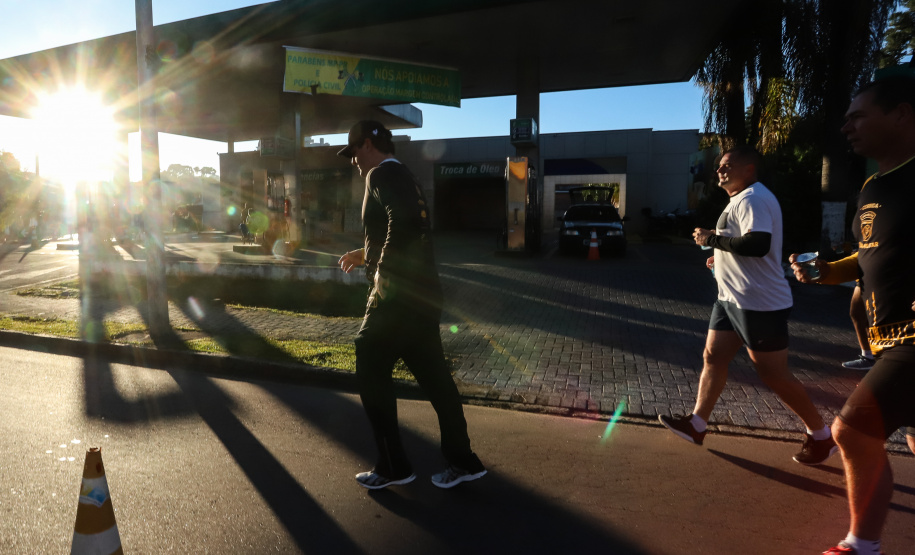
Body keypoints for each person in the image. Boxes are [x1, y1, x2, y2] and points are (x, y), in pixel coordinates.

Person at [790, 75, 915, 555]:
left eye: (858, 115)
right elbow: (868, 257)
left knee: (852, 430)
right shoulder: (871, 187)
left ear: (902, 114)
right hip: (887, 341)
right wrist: (826, 271)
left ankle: (860, 547)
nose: (846, 127)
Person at [659, 145, 837, 466]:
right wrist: (721, 256)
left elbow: (758, 244)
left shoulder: (753, 198)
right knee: (713, 357)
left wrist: (711, 239)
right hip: (730, 300)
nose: (720, 171)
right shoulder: (740, 200)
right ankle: (698, 424)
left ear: (749, 169)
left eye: (727, 165)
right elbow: (743, 242)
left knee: (774, 375)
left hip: (759, 304)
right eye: (718, 167)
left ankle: (822, 436)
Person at [336, 120, 486, 490]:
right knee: (435, 379)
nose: (352, 160)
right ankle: (463, 460)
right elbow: (407, 227)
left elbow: (401, 223)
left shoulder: (381, 175)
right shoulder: (404, 175)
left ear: (367, 144)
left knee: (368, 358)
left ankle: (393, 466)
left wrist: (384, 276)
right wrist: (364, 254)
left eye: (353, 151)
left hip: (398, 296)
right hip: (423, 294)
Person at [843, 284, 875, 370]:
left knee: (876, 316)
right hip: (864, 277)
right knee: (857, 313)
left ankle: (873, 356)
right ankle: (869, 356)